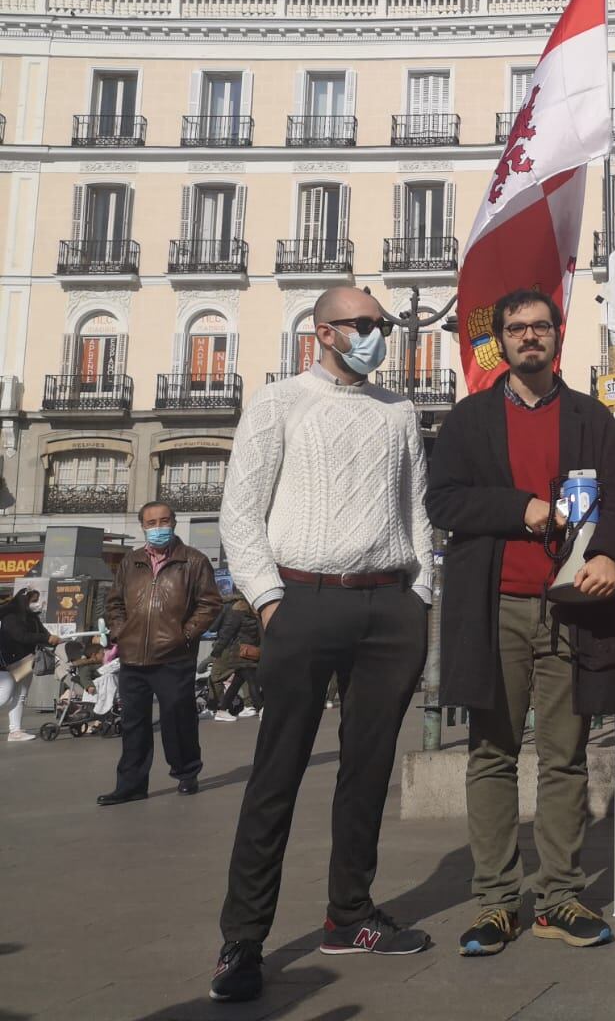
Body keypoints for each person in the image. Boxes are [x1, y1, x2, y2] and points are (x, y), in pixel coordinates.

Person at [211, 285, 434, 1004]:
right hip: (303, 599)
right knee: (276, 775)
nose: (376, 335)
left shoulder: (400, 410)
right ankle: (243, 939)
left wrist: (419, 596)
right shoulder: (278, 403)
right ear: (323, 332)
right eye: (362, 324)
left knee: (368, 771)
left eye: (382, 325)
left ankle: (351, 913)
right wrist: (272, 603)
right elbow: (239, 515)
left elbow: (418, 512)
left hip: (388, 607)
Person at [427, 288, 615, 957]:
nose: (529, 338)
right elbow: (445, 501)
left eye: (540, 327)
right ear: (502, 342)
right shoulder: (469, 420)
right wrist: (525, 510)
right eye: (516, 329)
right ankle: (495, 902)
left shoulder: (591, 418)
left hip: (573, 609)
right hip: (496, 608)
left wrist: (605, 553)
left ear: (557, 335)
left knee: (567, 756)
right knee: (492, 753)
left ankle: (559, 897)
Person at [98, 502, 221, 805]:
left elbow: (210, 604)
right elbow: (114, 601)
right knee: (133, 723)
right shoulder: (130, 562)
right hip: (133, 657)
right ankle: (131, 785)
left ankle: (186, 772)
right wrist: (119, 631)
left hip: (173, 657)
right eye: (151, 522)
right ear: (142, 526)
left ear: (174, 523)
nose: (158, 528)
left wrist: (186, 634)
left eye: (164, 521)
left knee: (177, 719)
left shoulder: (193, 561)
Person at [1, 589, 59, 742]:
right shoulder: (11, 617)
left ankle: (15, 731)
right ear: (23, 600)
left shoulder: (33, 618)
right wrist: (46, 638)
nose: (36, 604)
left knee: (20, 696)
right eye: (33, 600)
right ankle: (15, 731)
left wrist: (52, 638)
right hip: (8, 662)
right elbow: (21, 636)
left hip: (27, 660)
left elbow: (44, 633)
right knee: (4, 696)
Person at [209, 597, 262, 722]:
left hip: (249, 652)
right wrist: (217, 651)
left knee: (236, 683)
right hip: (240, 652)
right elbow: (227, 632)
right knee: (252, 680)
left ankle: (222, 710)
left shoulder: (253, 613)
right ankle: (261, 708)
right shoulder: (238, 612)